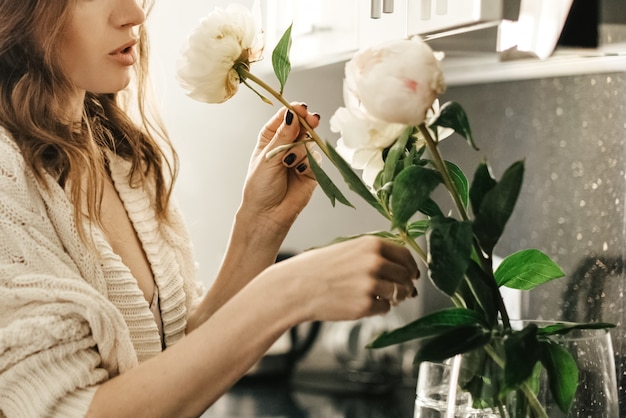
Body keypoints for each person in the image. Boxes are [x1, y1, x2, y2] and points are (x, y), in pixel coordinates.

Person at [0, 0, 419, 417]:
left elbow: (173, 371)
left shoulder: (124, 161)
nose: (134, 14)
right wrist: (289, 292)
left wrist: (260, 224)